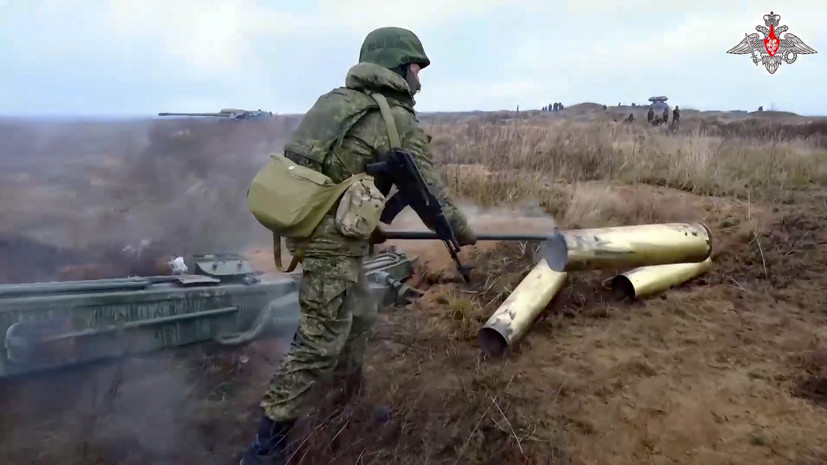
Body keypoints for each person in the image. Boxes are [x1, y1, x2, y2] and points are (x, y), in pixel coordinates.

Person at [238, 27, 477, 465]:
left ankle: (346, 408)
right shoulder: (394, 118)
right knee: (319, 340)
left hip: (312, 225)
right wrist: (462, 232)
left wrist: (370, 223)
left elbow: (332, 170)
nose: (419, 80)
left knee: (360, 317)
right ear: (399, 67)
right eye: (416, 69)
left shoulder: (335, 103)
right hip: (332, 242)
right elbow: (430, 193)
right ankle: (264, 450)